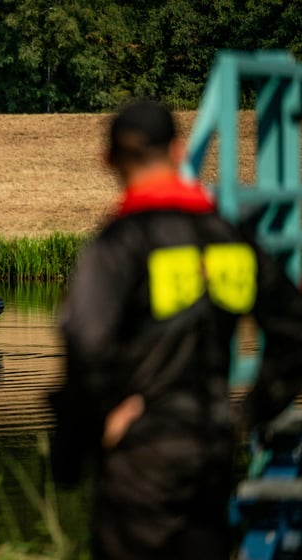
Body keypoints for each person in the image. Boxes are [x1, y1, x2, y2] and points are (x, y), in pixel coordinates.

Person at [49, 98, 302, 560]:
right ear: (179, 150)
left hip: (140, 454)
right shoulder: (228, 236)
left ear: (108, 160)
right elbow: (293, 330)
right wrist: (249, 413)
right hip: (211, 448)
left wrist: (78, 445)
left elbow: (86, 342)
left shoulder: (120, 243)